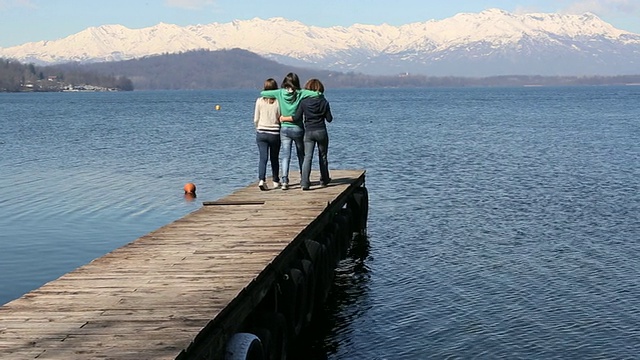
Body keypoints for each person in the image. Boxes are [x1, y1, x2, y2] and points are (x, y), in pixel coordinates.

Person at [260, 73, 320, 190]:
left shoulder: (280, 92)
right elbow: (317, 94)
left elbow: (263, 93)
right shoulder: (300, 93)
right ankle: (304, 179)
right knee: (301, 154)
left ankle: (284, 181)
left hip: (284, 128)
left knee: (285, 155)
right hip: (297, 128)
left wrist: (276, 91)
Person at [288, 78, 332, 190]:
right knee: (323, 156)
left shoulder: (304, 102)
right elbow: (329, 119)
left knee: (308, 157)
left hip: (308, 132)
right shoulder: (324, 102)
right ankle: (324, 179)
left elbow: (297, 117)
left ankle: (304, 182)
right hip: (321, 131)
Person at [254, 78, 281, 190]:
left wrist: (258, 128)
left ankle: (261, 179)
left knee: (263, 158)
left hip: (261, 132)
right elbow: (279, 117)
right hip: (274, 133)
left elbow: (256, 118)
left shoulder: (259, 101)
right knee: (274, 158)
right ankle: (275, 180)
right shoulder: (278, 101)